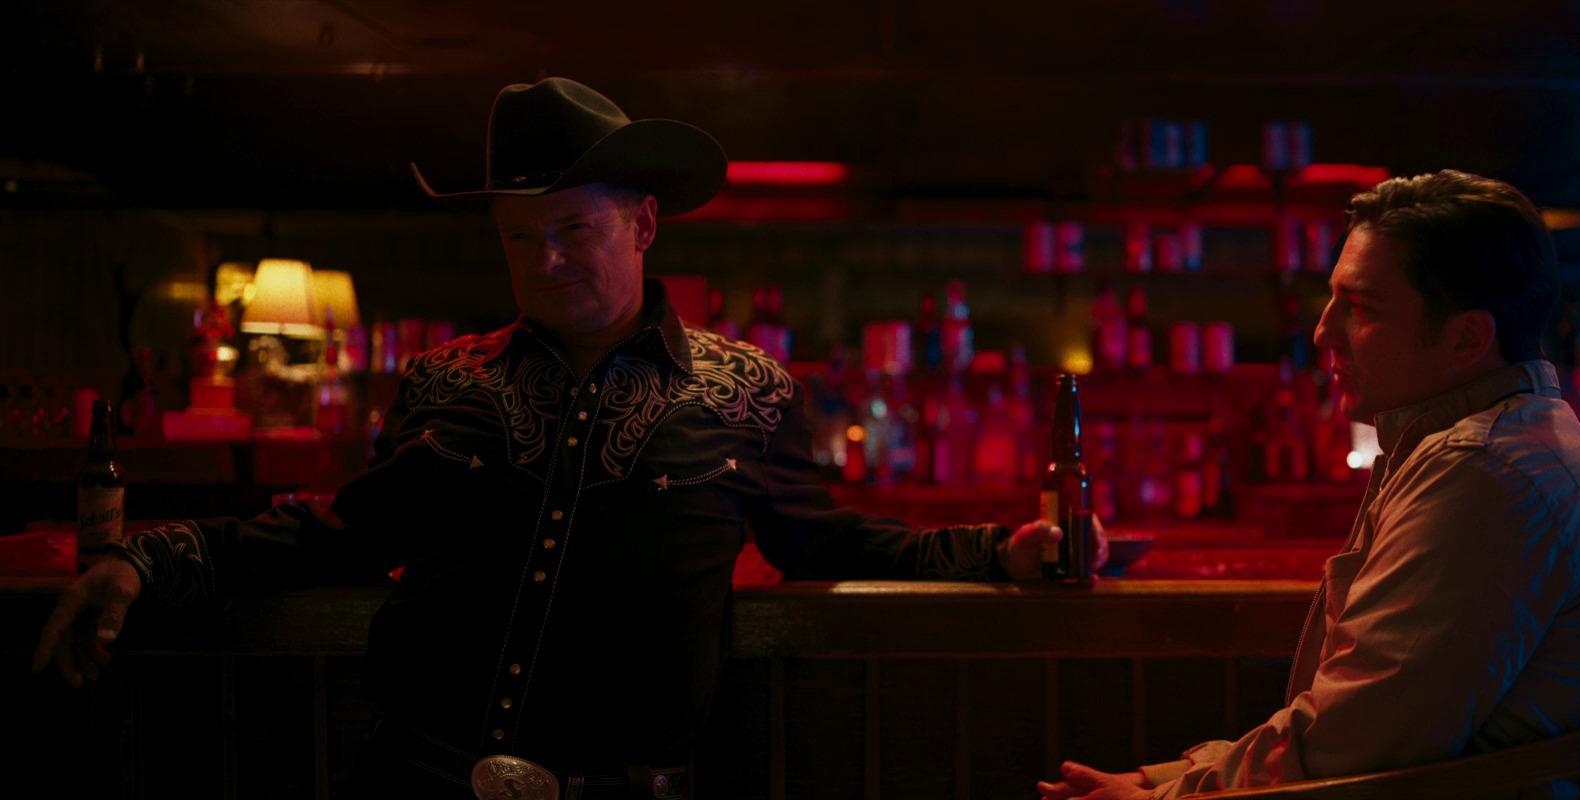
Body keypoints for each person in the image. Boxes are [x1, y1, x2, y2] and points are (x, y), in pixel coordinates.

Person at [32, 76, 1098, 800]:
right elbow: (339, 531)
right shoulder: (444, 381)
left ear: (642, 223)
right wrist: (148, 558)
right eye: (520, 238)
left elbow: (833, 542)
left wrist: (999, 552)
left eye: (573, 230)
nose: (545, 262)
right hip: (418, 781)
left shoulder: (747, 389)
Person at [1041, 170, 1580, 800]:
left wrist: (1156, 799)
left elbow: (1343, 749)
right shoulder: (1503, 442)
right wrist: (1157, 781)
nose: (1323, 332)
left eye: (1361, 308)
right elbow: (1350, 727)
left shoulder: (1485, 472)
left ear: (1466, 339)